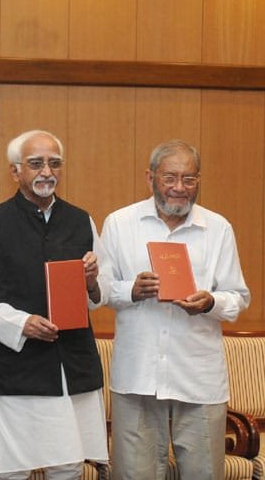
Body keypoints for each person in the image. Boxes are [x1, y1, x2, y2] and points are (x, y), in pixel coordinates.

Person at [0, 129, 109, 480]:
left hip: (72, 366)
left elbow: (101, 296)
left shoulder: (81, 220)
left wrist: (91, 282)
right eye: (36, 163)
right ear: (16, 171)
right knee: (14, 469)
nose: (46, 172)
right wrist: (20, 323)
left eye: (54, 163)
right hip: (18, 370)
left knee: (69, 466)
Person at [99, 139, 250, 480]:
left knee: (204, 473)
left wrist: (211, 302)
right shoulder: (120, 223)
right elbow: (100, 291)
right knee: (133, 474)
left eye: (189, 179)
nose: (179, 188)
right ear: (149, 177)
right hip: (137, 374)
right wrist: (132, 290)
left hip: (197, 375)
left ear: (199, 180)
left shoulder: (218, 228)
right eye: (170, 178)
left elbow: (238, 296)